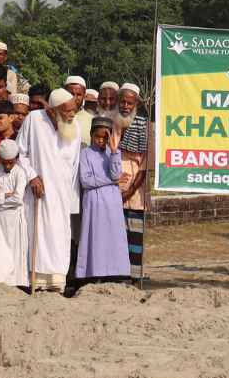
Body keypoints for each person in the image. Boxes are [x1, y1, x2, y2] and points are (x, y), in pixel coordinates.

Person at [21, 88, 83, 292]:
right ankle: (37, 280)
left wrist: (72, 199)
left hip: (63, 194)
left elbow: (73, 165)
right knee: (38, 233)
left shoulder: (75, 126)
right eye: (67, 111)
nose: (72, 115)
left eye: (74, 110)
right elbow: (20, 152)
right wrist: (32, 176)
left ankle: (57, 280)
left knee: (60, 234)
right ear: (54, 110)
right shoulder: (33, 120)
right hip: (39, 191)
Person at [74, 116, 131, 286]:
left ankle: (115, 272)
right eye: (98, 137)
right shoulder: (84, 153)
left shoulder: (112, 153)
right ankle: (93, 272)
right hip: (94, 203)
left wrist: (114, 151)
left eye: (105, 137)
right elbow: (86, 181)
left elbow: (115, 174)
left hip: (112, 202)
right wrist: (112, 181)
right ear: (91, 135)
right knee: (95, 237)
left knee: (114, 237)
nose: (101, 140)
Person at [0, 139, 32, 288]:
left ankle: (17, 284)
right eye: (5, 162)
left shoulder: (20, 172)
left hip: (14, 218)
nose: (7, 165)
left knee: (15, 251)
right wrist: (5, 195)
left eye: (11, 162)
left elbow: (18, 198)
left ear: (16, 159)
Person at [114, 84, 149, 279]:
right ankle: (117, 275)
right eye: (123, 102)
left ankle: (135, 276)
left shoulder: (143, 125)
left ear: (136, 104)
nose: (126, 106)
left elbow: (145, 165)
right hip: (112, 188)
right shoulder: (112, 123)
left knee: (134, 236)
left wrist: (130, 191)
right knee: (115, 236)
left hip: (135, 192)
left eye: (130, 102)